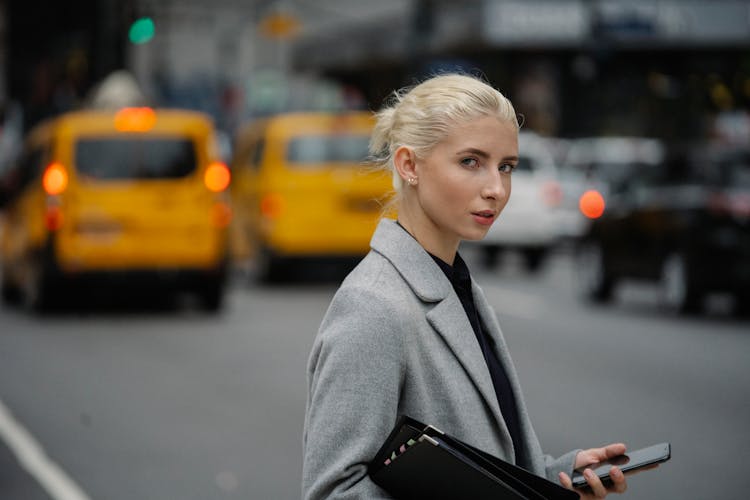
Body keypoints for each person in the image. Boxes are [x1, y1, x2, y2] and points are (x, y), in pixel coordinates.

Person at [302, 73, 629, 499]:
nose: (496, 188)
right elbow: (332, 492)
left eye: (506, 166)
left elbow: (472, 467)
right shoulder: (373, 305)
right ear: (409, 164)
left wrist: (555, 479)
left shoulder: (452, 281)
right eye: (471, 162)